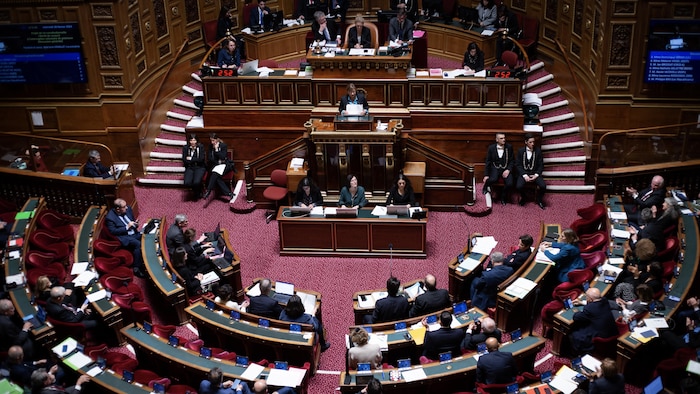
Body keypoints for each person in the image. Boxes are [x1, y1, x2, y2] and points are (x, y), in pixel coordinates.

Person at [570, 288, 619, 355]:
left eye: (586, 296)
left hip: (601, 336)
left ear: (590, 299)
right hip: (611, 332)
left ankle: (576, 353)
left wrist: (577, 312)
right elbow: (596, 305)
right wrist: (582, 302)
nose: (586, 298)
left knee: (575, 334)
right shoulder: (604, 300)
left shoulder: (589, 308)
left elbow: (576, 317)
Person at [105, 198, 145, 278]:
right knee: (138, 244)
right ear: (118, 209)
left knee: (146, 235)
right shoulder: (110, 218)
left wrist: (135, 224)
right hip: (124, 237)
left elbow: (132, 220)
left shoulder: (128, 209)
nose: (127, 207)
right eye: (124, 207)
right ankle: (136, 268)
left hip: (133, 232)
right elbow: (113, 231)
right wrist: (127, 227)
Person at [516, 133, 546, 209]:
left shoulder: (538, 151)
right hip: (524, 173)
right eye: (530, 142)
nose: (532, 144)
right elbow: (518, 165)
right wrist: (524, 175)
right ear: (526, 142)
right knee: (518, 186)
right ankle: (524, 197)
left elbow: (541, 165)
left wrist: (536, 175)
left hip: (534, 173)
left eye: (533, 142)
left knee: (543, 186)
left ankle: (539, 199)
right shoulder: (520, 151)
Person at [483, 132, 515, 204]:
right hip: (495, 167)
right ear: (497, 140)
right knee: (493, 179)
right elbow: (488, 161)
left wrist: (508, 170)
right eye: (501, 138)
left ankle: (503, 196)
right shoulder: (491, 148)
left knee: (510, 183)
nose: (504, 140)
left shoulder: (509, 147)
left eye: (504, 138)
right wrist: (486, 174)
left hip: (505, 168)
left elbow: (512, 161)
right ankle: (485, 187)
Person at [203, 133, 235, 202]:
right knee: (216, 176)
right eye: (211, 140)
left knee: (215, 174)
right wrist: (217, 162)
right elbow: (210, 158)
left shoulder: (223, 146)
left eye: (213, 140)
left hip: (225, 165)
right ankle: (229, 193)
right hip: (216, 166)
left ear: (217, 140)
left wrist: (217, 150)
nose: (212, 142)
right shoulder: (210, 147)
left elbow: (223, 157)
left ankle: (208, 191)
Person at [182, 134, 206, 199]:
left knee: (196, 182)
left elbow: (201, 159)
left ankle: (198, 193)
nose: (193, 142)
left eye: (194, 140)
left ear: (197, 141)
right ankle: (196, 191)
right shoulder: (185, 148)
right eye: (191, 140)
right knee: (187, 183)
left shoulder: (200, 147)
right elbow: (184, 159)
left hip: (199, 167)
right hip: (190, 167)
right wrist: (194, 160)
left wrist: (191, 159)